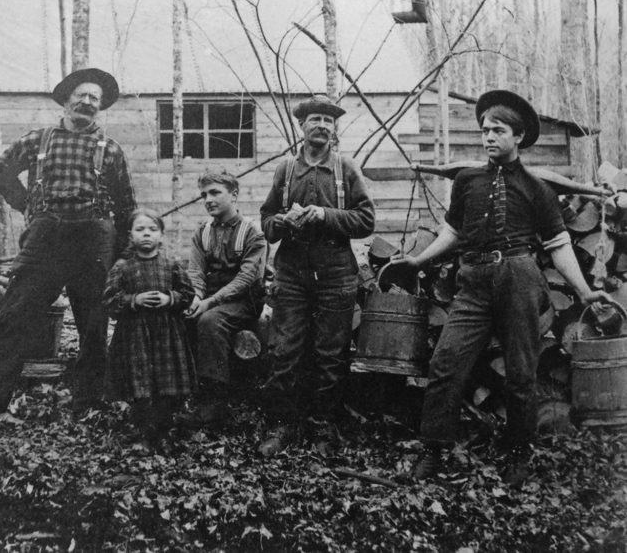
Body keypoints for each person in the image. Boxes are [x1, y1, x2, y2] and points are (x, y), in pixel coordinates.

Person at [393, 90, 610, 487]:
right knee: (446, 364)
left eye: (497, 130)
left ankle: (518, 452)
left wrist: (583, 291)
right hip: (472, 283)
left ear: (518, 136)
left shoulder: (537, 188)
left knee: (521, 373)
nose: (488, 137)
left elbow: (559, 244)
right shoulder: (467, 181)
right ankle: (433, 449)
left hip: (519, 279)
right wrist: (419, 261)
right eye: (484, 131)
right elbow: (453, 231)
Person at [0, 68, 136, 421]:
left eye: (94, 99)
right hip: (45, 242)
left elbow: (126, 206)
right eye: (81, 96)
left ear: (100, 108)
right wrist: (27, 205)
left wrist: (123, 255)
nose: (86, 103)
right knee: (14, 316)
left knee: (94, 325)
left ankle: (85, 403)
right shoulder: (37, 140)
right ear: (67, 99)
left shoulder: (111, 150)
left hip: (93, 244)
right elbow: (1, 171)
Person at [258, 94, 376, 457]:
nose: (322, 125)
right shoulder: (285, 171)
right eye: (315, 119)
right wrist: (281, 221)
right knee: (285, 349)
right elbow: (266, 223)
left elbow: (367, 221)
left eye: (328, 119)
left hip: (336, 272)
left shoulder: (346, 169)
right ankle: (282, 424)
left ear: (334, 128)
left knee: (331, 353)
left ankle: (323, 426)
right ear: (302, 126)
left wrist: (325, 216)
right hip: (291, 271)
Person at [175, 169, 267, 429]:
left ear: (234, 195)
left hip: (243, 300)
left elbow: (247, 278)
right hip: (209, 297)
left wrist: (209, 303)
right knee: (181, 315)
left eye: (215, 192)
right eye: (204, 194)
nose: (208, 199)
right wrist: (195, 298)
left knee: (210, 321)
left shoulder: (252, 233)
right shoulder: (202, 232)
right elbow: (195, 272)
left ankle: (214, 402)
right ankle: (178, 391)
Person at [103, 209, 196, 451]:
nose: (146, 234)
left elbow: (188, 294)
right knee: (140, 384)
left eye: (152, 230)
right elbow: (110, 301)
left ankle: (164, 432)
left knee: (167, 385)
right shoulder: (123, 267)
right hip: (135, 337)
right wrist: (134, 300)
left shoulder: (171, 264)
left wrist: (170, 299)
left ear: (161, 235)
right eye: (140, 229)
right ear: (131, 235)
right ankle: (144, 432)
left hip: (167, 335)